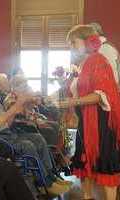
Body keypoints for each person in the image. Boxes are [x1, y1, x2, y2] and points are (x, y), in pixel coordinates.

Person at [0, 75, 72, 196]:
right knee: (27, 145)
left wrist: (15, 109)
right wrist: (16, 106)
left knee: (37, 138)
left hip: (5, 134)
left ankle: (51, 177)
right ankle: (45, 183)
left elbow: (6, 122)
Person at [57, 25, 120, 200]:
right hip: (85, 120)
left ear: (88, 41)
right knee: (84, 160)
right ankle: (86, 197)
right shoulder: (83, 63)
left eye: (73, 43)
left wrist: (72, 101)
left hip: (100, 121)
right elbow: (79, 90)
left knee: (104, 163)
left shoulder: (98, 60)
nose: (71, 47)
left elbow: (101, 94)